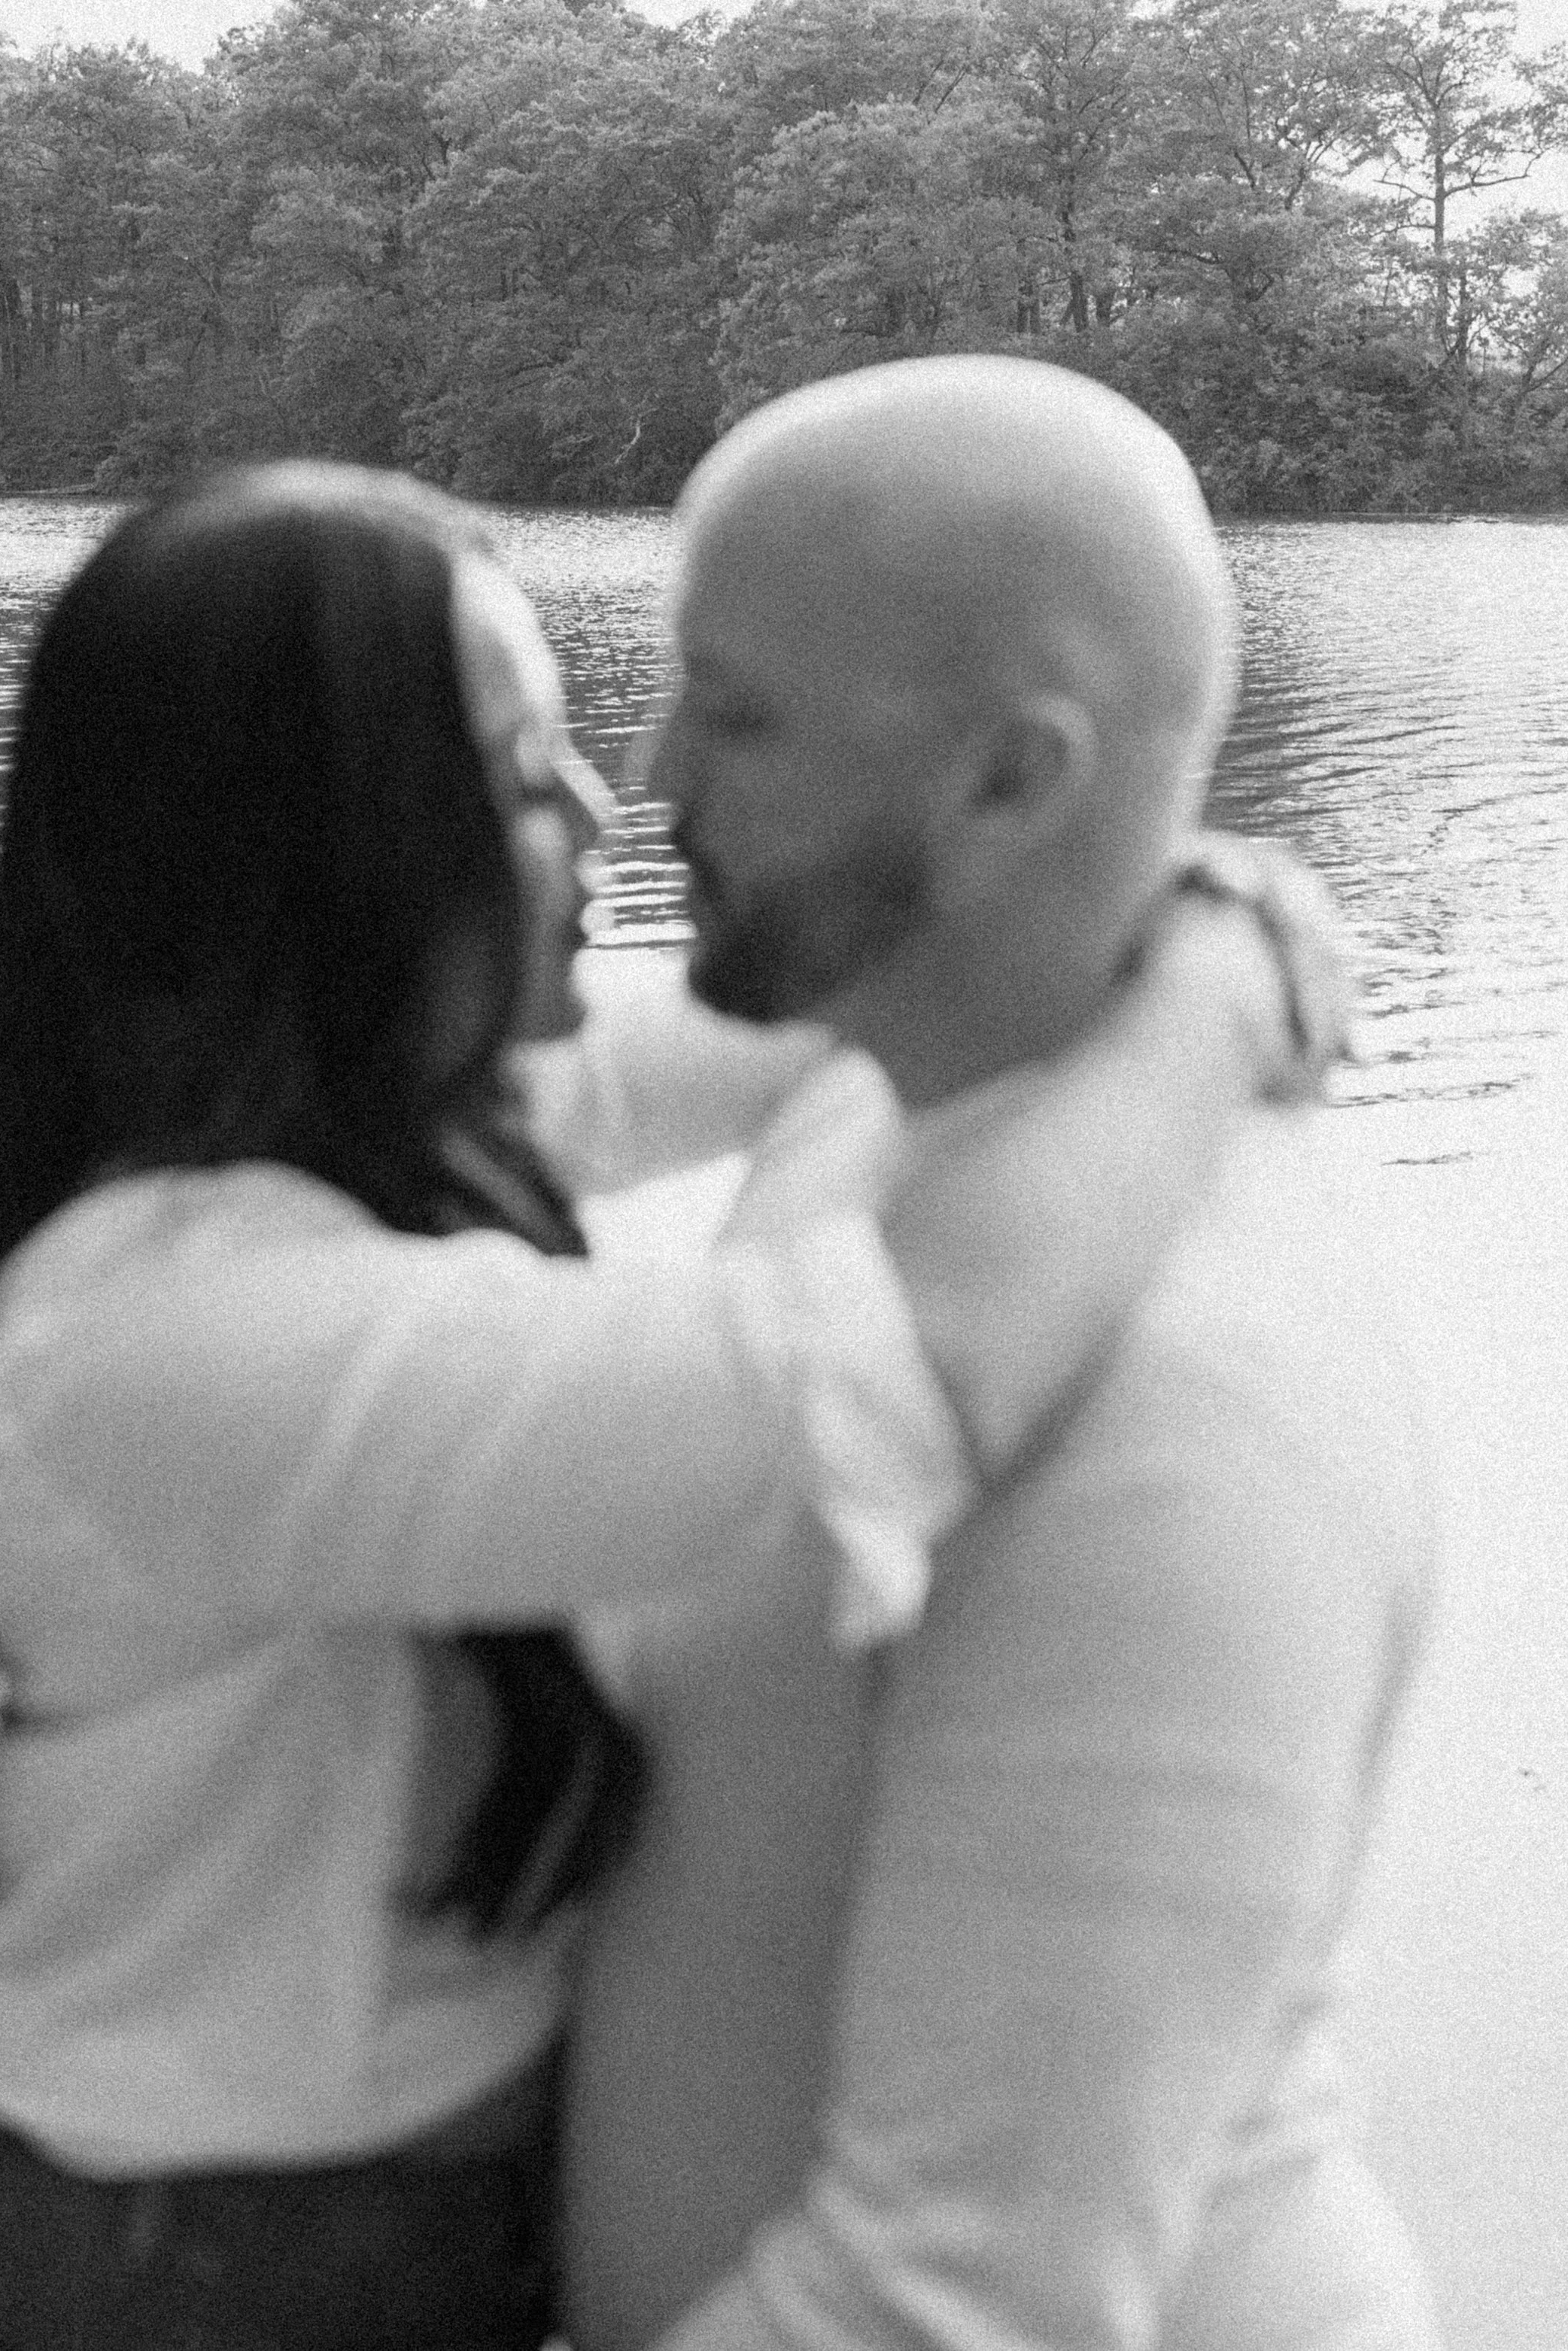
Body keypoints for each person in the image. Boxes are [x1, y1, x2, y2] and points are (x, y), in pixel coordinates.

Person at [0, 460, 1339, 2351]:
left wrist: (1080, 871)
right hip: (179, 2297)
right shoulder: (167, 1334)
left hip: (352, 2249)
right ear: (304, 847)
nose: (605, 804)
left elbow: (818, 1000)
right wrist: (1208, 998)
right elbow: (908, 1366)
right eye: (510, 769)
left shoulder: (398, 1134)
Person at [562, 356, 1439, 2351]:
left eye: (733, 708)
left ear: (1007, 781)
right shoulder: (868, 1104)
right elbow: (420, 1100)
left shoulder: (1180, 1410)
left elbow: (965, 2300)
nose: (649, 769)